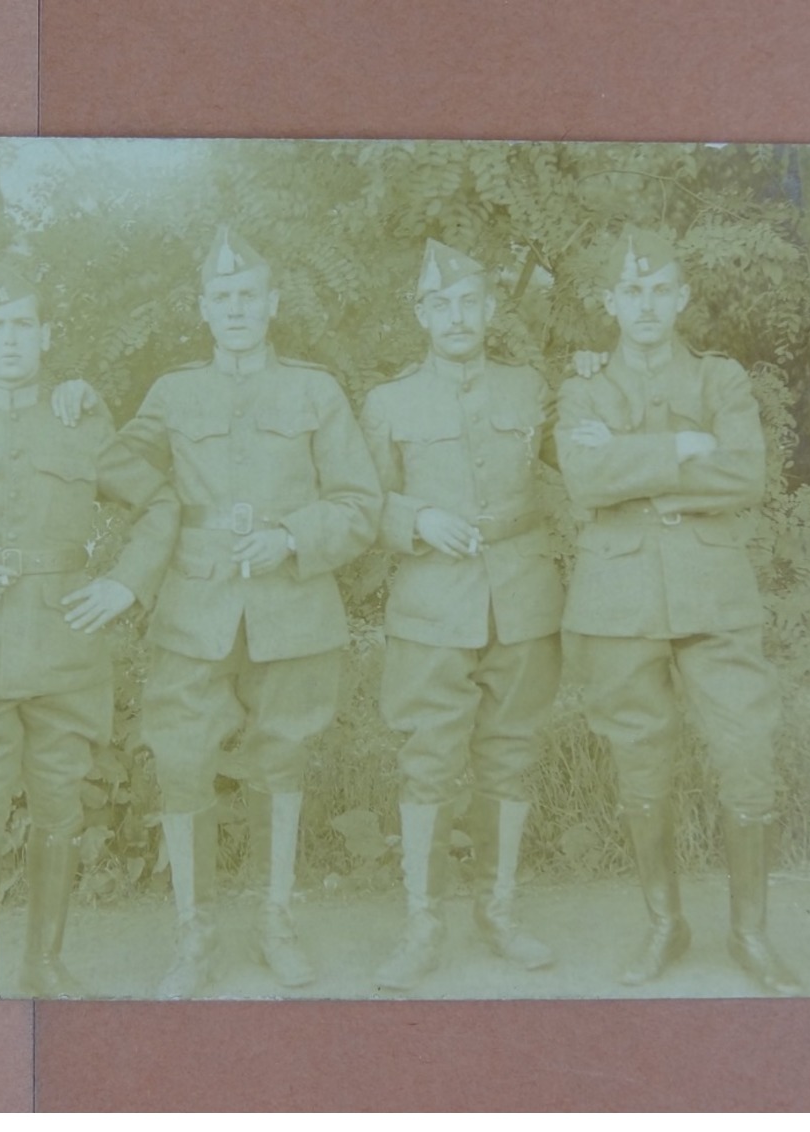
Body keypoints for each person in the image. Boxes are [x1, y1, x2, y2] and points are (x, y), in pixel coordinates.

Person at [0, 254, 179, 997]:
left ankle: (44, 964)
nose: (11, 339)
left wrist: (124, 584)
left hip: (64, 645)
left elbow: (160, 505)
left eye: (24, 325)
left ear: (46, 336)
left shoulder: (79, 419)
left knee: (61, 803)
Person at [116, 227, 381, 996]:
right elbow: (116, 463)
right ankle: (193, 937)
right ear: (204, 309)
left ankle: (275, 922)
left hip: (292, 606)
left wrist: (292, 536)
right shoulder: (173, 393)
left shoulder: (314, 390)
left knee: (282, 760)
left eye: (248, 296)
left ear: (272, 303)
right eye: (221, 298)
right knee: (181, 761)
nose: (235, 308)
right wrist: (166, 509)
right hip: (194, 610)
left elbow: (360, 504)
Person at [555, 227, 802, 994]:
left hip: (715, 597)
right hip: (618, 600)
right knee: (641, 769)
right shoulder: (582, 387)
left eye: (661, 289)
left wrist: (637, 460)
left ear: (682, 296)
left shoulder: (720, 380)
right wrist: (683, 447)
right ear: (611, 302)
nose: (648, 305)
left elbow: (746, 476)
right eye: (633, 291)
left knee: (746, 758)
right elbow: (586, 481)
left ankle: (750, 934)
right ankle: (666, 923)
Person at [359, 240, 564, 991]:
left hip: (522, 597)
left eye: (469, 302)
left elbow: (565, 466)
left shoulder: (529, 389)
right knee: (428, 761)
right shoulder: (388, 402)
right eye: (440, 304)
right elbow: (364, 501)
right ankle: (422, 922)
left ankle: (500, 911)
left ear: (489, 309)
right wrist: (414, 520)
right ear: (421, 314)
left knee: (512, 754)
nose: (456, 316)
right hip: (432, 607)